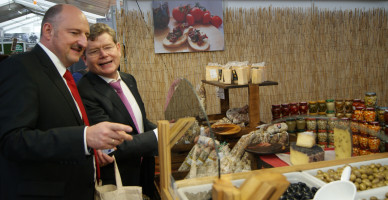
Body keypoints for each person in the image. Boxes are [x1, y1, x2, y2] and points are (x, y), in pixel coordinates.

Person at [0, 5, 133, 199]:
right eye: (74, 33)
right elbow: (12, 141)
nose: (82, 42)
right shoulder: (21, 68)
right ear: (48, 30)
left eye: (85, 35)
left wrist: (91, 149)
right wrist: (85, 137)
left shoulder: (62, 74)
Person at [77, 23, 158, 199]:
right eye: (94, 51)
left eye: (107, 47)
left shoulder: (128, 80)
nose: (104, 55)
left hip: (144, 170)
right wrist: (159, 136)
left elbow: (139, 123)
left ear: (118, 48)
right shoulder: (85, 91)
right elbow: (113, 145)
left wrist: (167, 128)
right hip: (118, 179)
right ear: (84, 59)